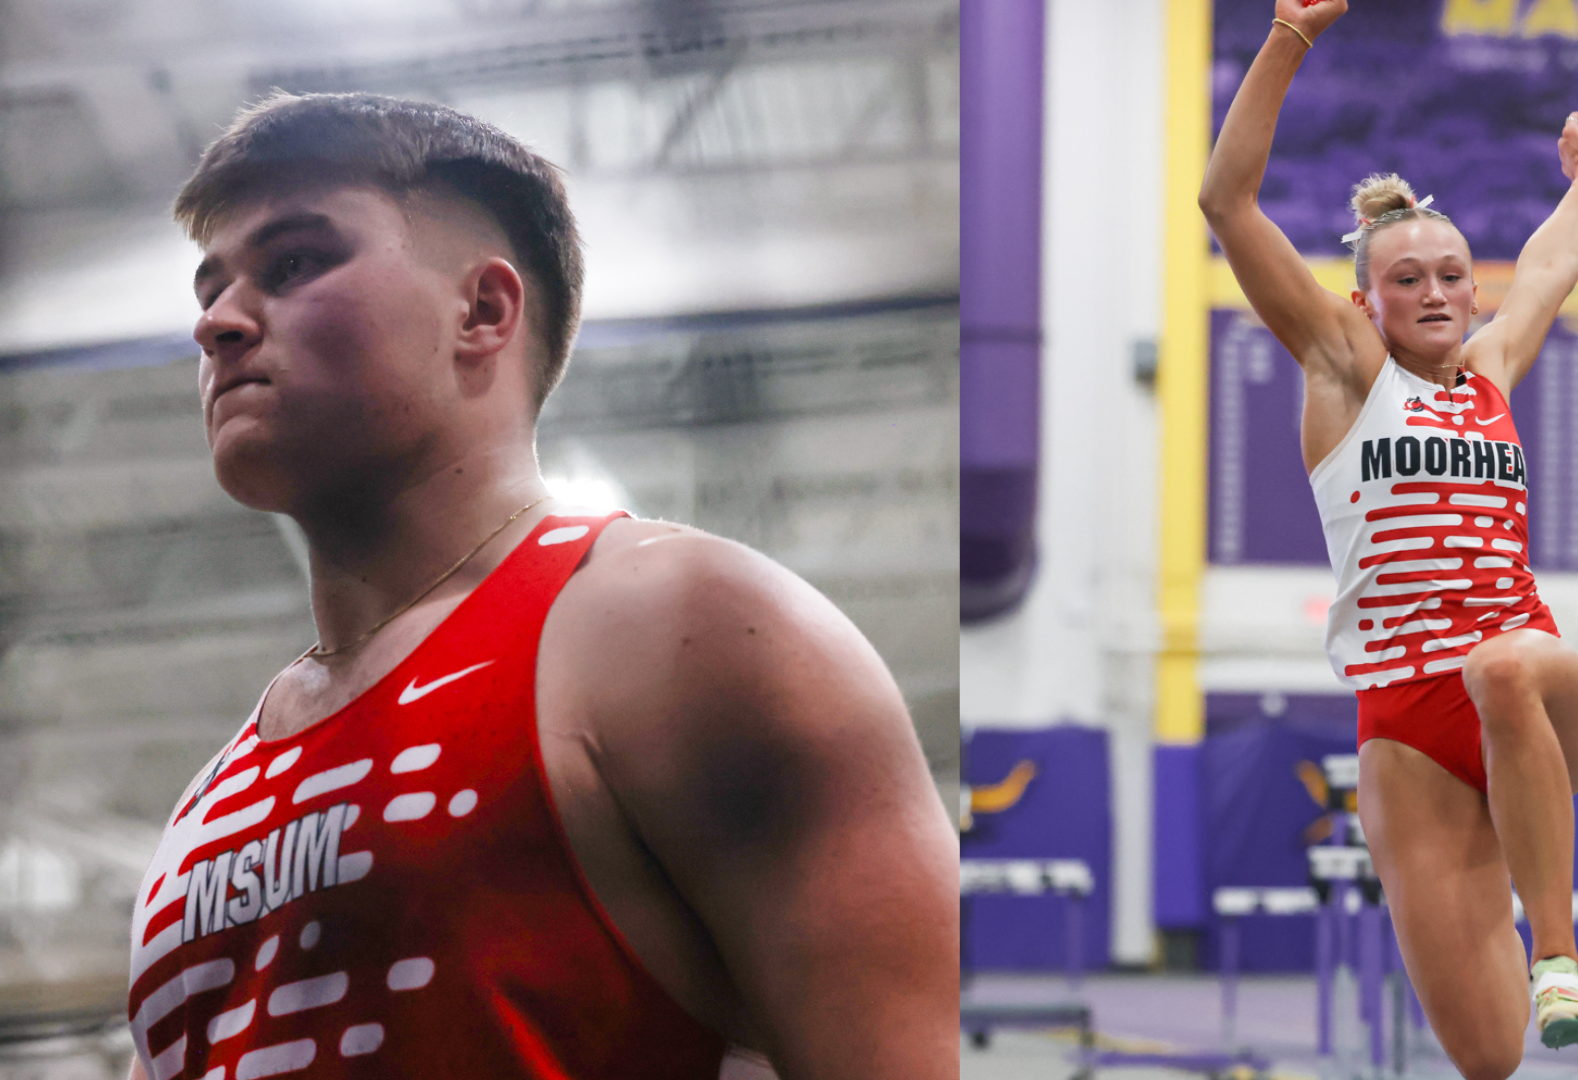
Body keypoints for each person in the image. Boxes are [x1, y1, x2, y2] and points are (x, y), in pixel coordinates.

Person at [125, 92, 958, 1080]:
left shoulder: (683, 631)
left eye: (297, 263)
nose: (217, 323)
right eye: (208, 289)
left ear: (482, 311)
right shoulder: (209, 804)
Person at [1199, 3, 1578, 1076]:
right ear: (1364, 302)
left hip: (1531, 676)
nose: (1434, 292)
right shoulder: (1346, 374)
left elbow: (1554, 267)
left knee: (1501, 662)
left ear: (1474, 291)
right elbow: (1224, 200)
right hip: (1403, 719)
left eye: (1451, 276)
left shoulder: (1491, 370)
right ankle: (1523, 991)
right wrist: (1288, 34)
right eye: (1406, 279)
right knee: (1486, 1059)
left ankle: (1559, 956)